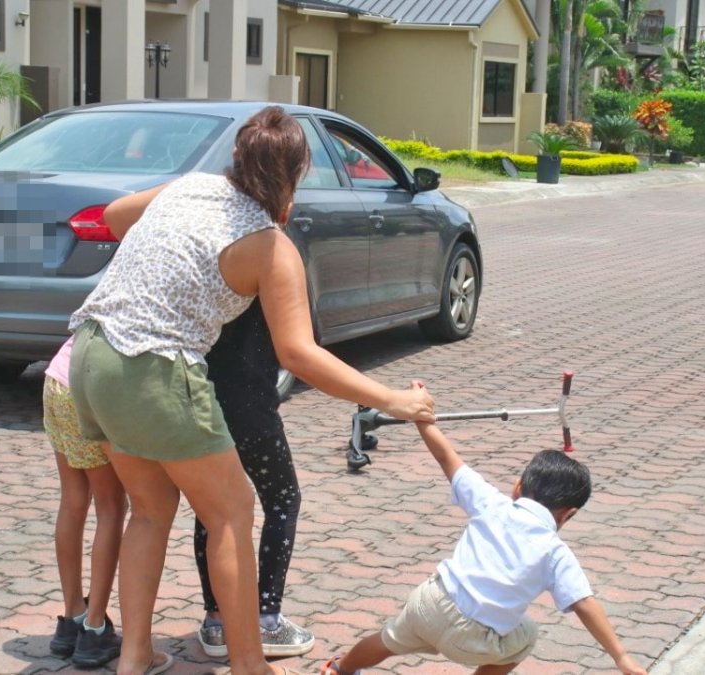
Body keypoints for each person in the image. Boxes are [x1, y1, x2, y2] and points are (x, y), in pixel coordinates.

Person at [67, 106, 436, 675]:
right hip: (153, 369)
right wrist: (392, 399)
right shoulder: (269, 245)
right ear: (294, 178)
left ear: (236, 160)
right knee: (234, 511)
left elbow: (115, 216)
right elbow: (300, 355)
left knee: (150, 509)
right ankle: (248, 665)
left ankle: (135, 656)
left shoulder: (193, 186)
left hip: (89, 354)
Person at [320, 389, 648, 675]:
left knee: (388, 639)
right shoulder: (554, 552)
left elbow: (445, 456)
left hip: (431, 600)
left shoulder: (492, 503)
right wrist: (621, 657)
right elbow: (584, 603)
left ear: (517, 487)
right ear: (568, 515)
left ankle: (340, 669)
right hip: (471, 637)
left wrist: (422, 416)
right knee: (527, 634)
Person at [194, 299, 312, 658]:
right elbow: (297, 347)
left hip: (204, 399)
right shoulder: (265, 255)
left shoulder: (205, 258)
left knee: (211, 511)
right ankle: (266, 618)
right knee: (283, 500)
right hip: (252, 407)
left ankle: (216, 622)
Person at [42, 335, 129, 669]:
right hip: (90, 386)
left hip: (58, 377)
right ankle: (94, 628)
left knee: (73, 500)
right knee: (111, 507)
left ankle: (71, 617)